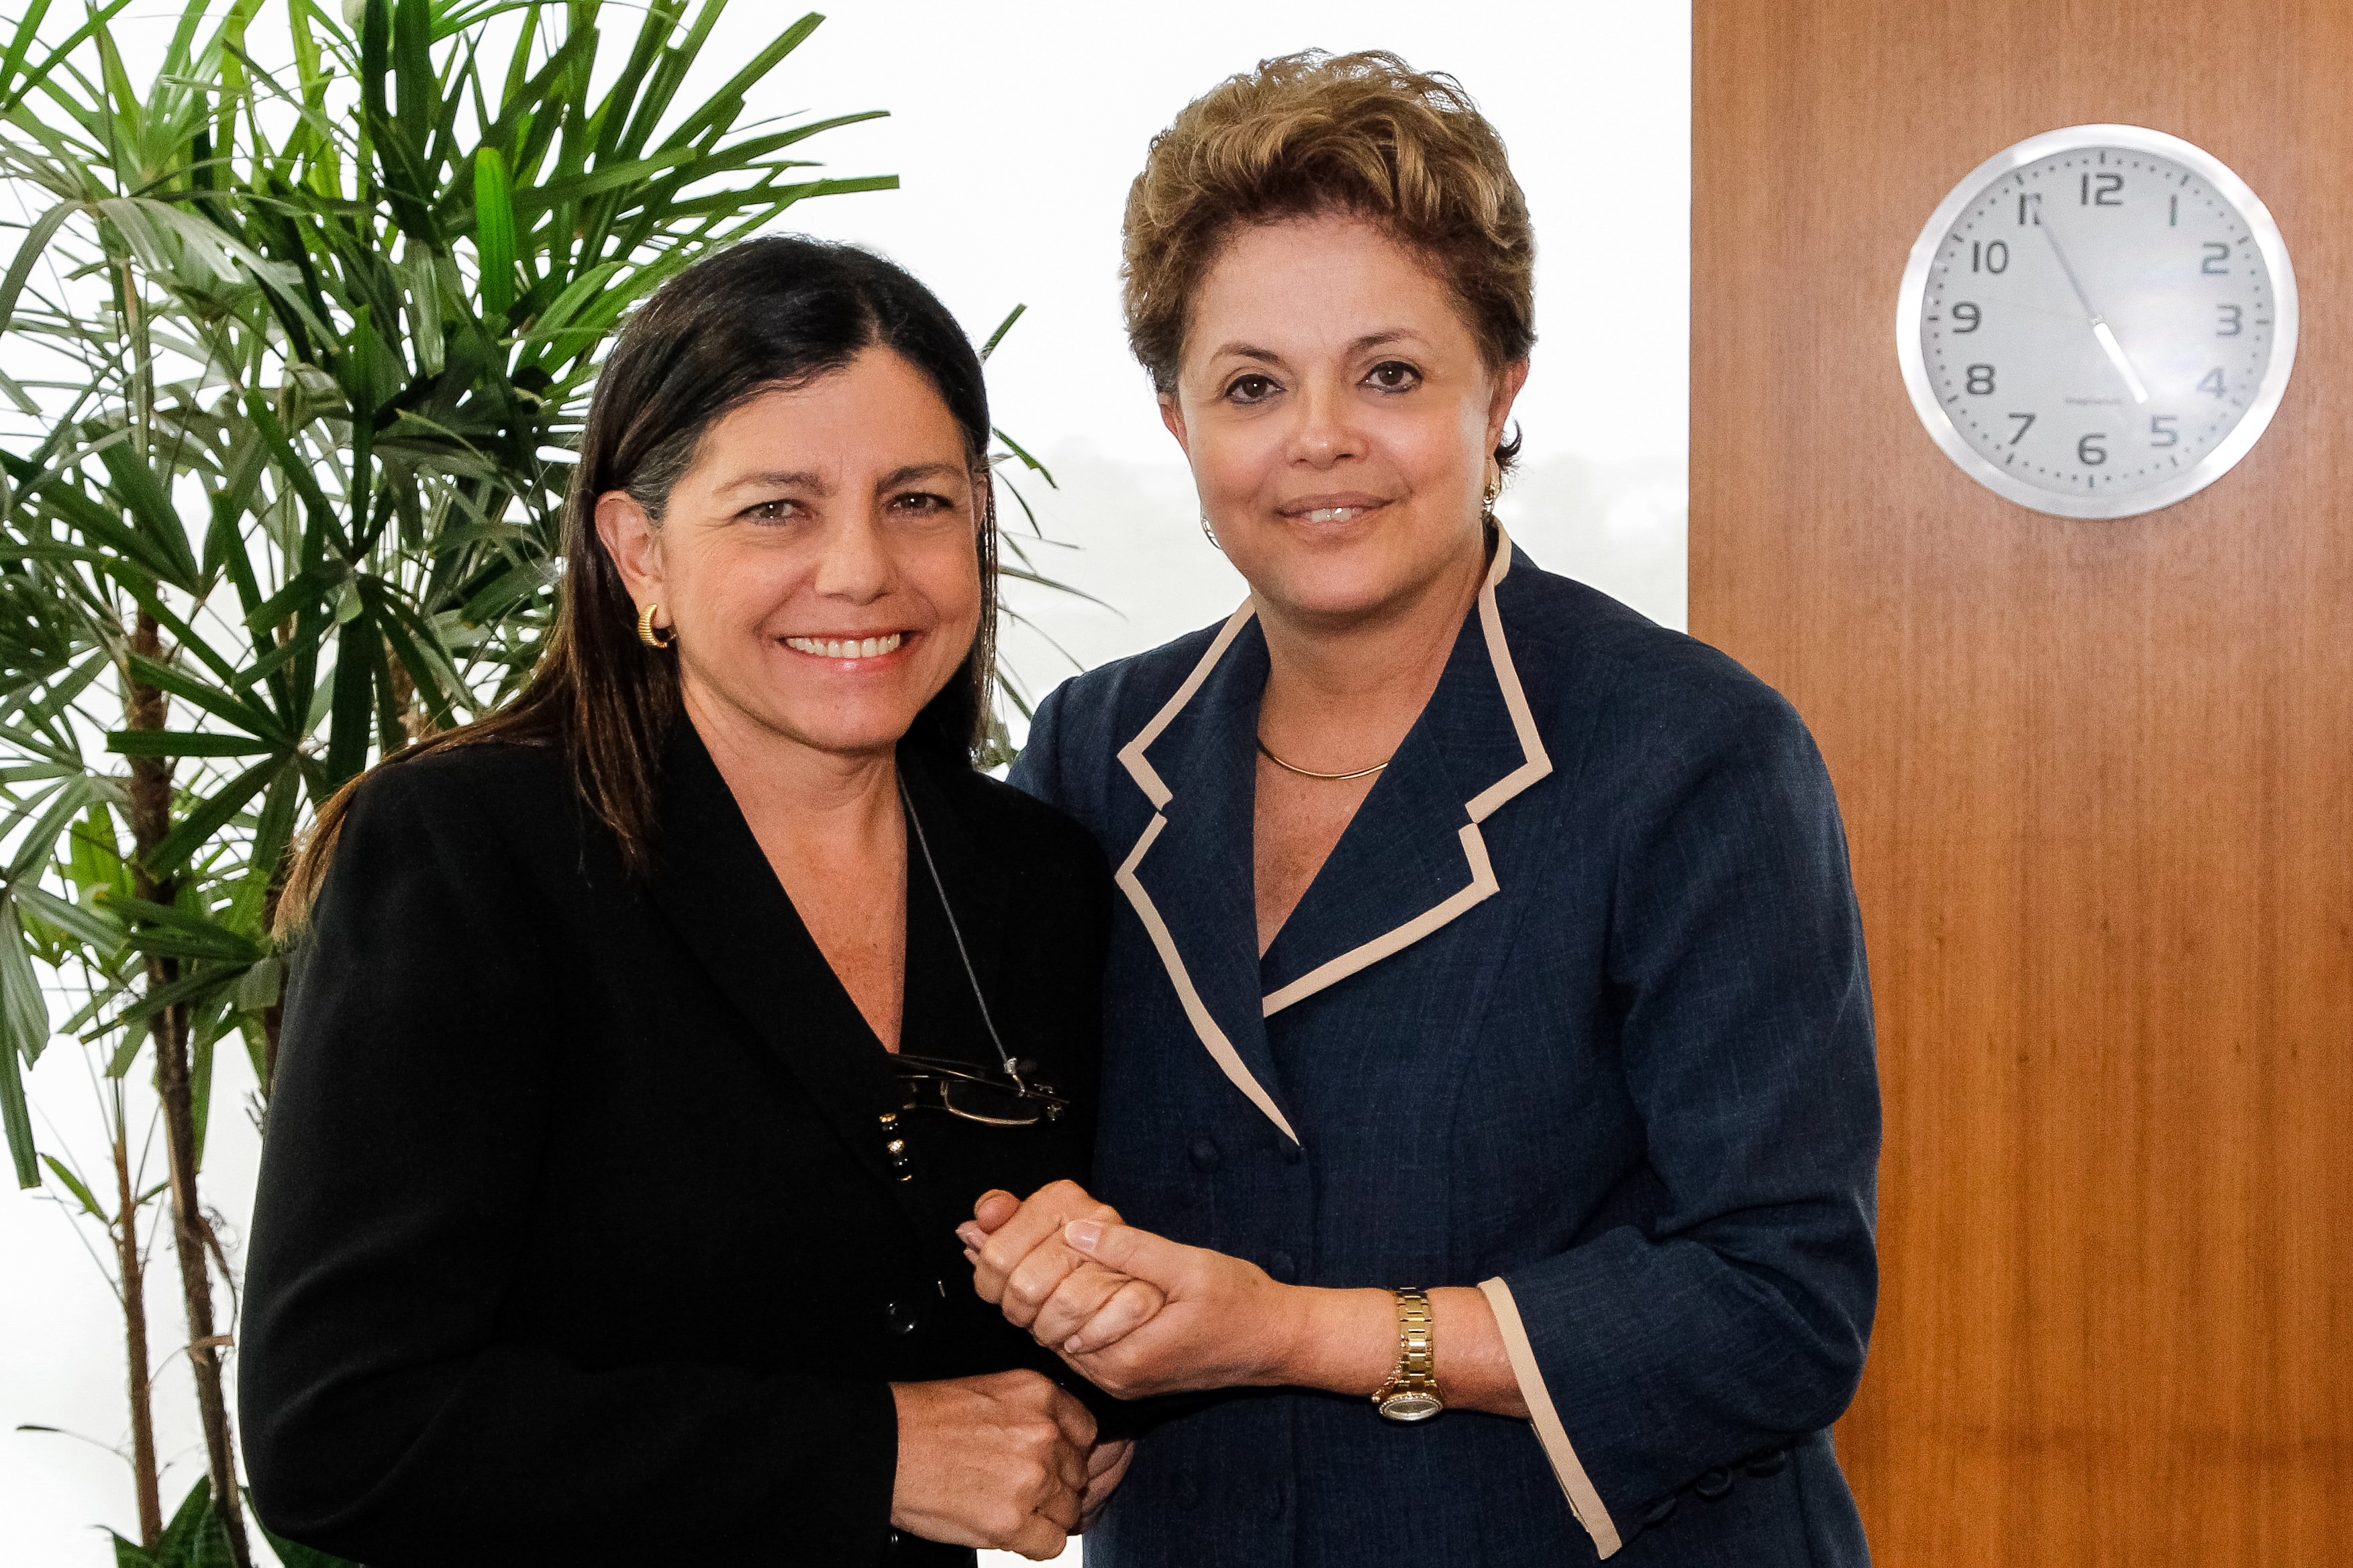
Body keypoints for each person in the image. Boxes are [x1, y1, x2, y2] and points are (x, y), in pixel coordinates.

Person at [966, 50, 1881, 1566]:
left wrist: (1298, 1332)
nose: (1318, 437)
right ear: (1179, 419)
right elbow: (998, 1154)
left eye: (1387, 373)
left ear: (1500, 388)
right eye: (1252, 384)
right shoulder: (1089, 747)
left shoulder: (1693, 753)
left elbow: (1778, 1303)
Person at [239, 236, 1128, 1566]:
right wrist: (875, 1451)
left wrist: (1099, 1331)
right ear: (638, 548)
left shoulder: (1035, 875)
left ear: (979, 515)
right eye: (777, 508)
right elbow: (340, 1429)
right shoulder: (470, 850)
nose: (860, 569)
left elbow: (1026, 1388)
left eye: (916, 500)